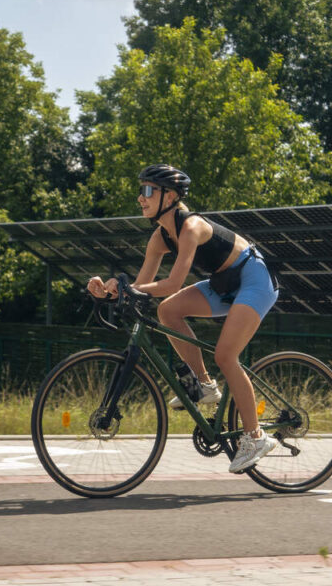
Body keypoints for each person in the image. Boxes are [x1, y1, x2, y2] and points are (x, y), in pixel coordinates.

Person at [87, 163, 280, 474]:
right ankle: (204, 384)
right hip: (224, 283)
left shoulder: (191, 227)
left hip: (254, 279)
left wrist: (126, 288)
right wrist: (111, 290)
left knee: (226, 355)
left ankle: (255, 436)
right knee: (168, 311)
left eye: (148, 190)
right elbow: (142, 286)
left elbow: (173, 284)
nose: (141, 197)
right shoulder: (160, 238)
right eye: (141, 191)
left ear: (171, 196)